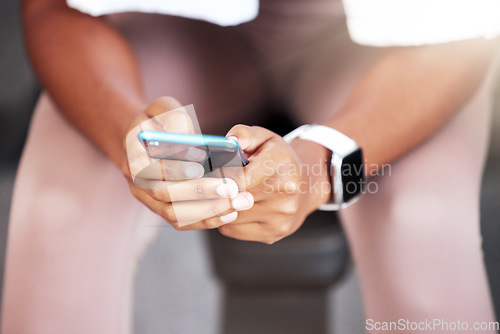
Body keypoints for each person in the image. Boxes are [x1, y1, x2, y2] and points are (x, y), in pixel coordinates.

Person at [2, 0, 498, 332]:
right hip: (174, 29)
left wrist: (323, 165)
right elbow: (50, 6)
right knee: (61, 206)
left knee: (421, 218)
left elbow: (466, 31)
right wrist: (125, 138)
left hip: (396, 49)